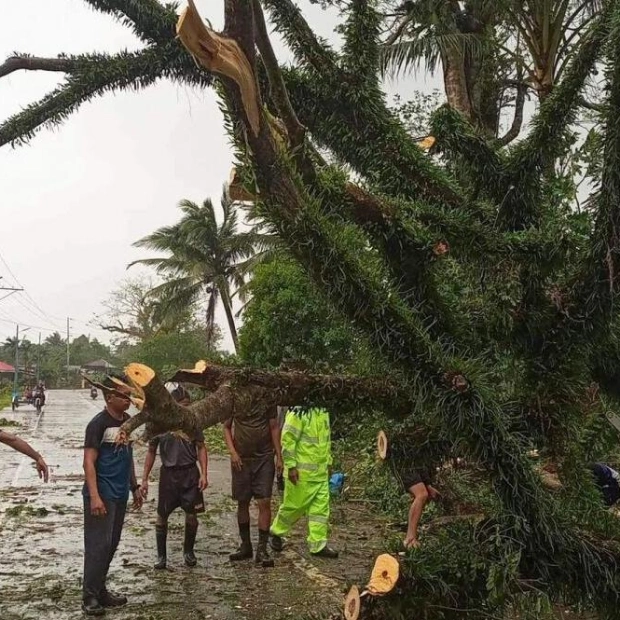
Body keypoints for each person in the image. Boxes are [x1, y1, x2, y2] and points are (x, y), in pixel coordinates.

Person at [82, 374, 143, 617]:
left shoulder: (127, 422)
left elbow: (128, 458)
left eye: (129, 394)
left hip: (120, 494)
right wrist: (95, 496)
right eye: (123, 395)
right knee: (97, 545)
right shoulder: (98, 424)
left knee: (112, 543)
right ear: (109, 397)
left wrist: (135, 487)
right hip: (101, 493)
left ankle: (101, 590)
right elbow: (88, 462)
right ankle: (89, 596)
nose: (128, 398)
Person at [141, 383, 208, 569]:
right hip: (169, 475)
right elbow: (151, 451)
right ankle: (161, 557)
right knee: (162, 515)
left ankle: (189, 551)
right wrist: (144, 479)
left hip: (189, 473)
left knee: (192, 514)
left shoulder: (193, 423)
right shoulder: (160, 423)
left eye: (189, 404)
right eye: (183, 405)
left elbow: (201, 447)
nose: (186, 409)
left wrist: (204, 473)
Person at [270, 405, 339, 558]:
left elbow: (326, 441)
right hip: (302, 474)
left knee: (320, 511)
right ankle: (275, 532)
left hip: (320, 473)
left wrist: (328, 463)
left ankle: (318, 544)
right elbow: (288, 439)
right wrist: (291, 466)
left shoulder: (323, 410)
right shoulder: (298, 411)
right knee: (294, 507)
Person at [223, 403, 283, 567]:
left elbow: (274, 427)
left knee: (264, 501)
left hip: (264, 457)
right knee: (242, 502)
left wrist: (279, 455)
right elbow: (226, 427)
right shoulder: (235, 398)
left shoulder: (266, 398)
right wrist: (233, 452)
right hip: (241, 459)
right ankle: (245, 545)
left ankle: (262, 549)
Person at [401, 467, 440, 549]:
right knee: (421, 494)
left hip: (414, 466)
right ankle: (410, 538)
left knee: (424, 495)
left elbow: (420, 464)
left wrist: (428, 485)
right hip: (405, 465)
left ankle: (412, 536)